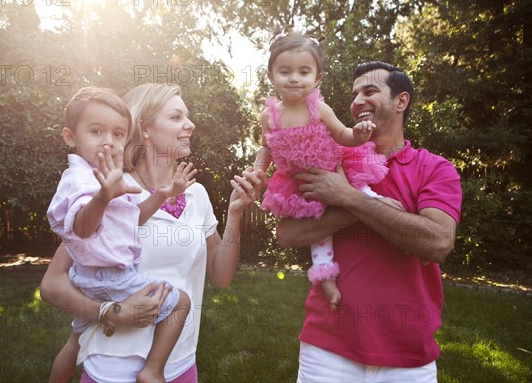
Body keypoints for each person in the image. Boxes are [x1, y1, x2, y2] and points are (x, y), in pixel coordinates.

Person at [40, 83, 267, 383]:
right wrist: (108, 311)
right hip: (113, 368)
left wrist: (235, 213)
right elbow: (52, 284)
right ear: (144, 129)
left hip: (181, 363)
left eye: (187, 116)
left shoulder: (196, 194)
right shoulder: (111, 190)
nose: (190, 124)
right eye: (176, 117)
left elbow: (221, 277)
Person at [276, 62, 462, 382]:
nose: (357, 100)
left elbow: (437, 243)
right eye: (354, 93)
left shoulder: (435, 168)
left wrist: (348, 197)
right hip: (328, 349)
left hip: (407, 356)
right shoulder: (329, 161)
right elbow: (287, 234)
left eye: (370, 91)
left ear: (401, 102)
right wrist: (356, 202)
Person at [46, 87, 196, 383]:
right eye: (96, 131)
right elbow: (82, 228)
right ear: (70, 137)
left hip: (88, 278)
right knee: (181, 302)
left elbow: (132, 219)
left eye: (117, 134)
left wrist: (163, 196)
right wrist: (103, 197)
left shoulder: (106, 179)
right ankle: (153, 370)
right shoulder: (84, 180)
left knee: (76, 340)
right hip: (111, 277)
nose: (108, 142)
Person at [254, 32, 388, 309]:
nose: (294, 78)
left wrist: (359, 135)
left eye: (304, 72)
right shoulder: (270, 115)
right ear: (271, 76)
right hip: (299, 184)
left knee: (362, 195)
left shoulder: (319, 109)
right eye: (285, 71)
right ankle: (326, 277)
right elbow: (266, 148)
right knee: (318, 232)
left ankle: (387, 212)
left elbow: (343, 135)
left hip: (334, 169)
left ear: (317, 78)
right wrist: (257, 171)